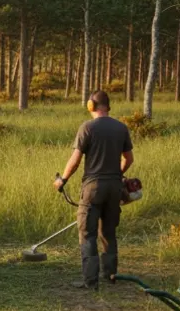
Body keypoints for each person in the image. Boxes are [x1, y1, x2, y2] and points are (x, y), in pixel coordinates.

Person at [53, 90, 133, 289]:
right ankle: (111, 275)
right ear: (108, 106)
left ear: (91, 106)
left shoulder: (87, 127)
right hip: (115, 188)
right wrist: (117, 174)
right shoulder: (121, 128)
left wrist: (62, 179)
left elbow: (75, 160)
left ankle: (90, 281)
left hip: (93, 188)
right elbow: (129, 159)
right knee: (108, 232)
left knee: (87, 233)